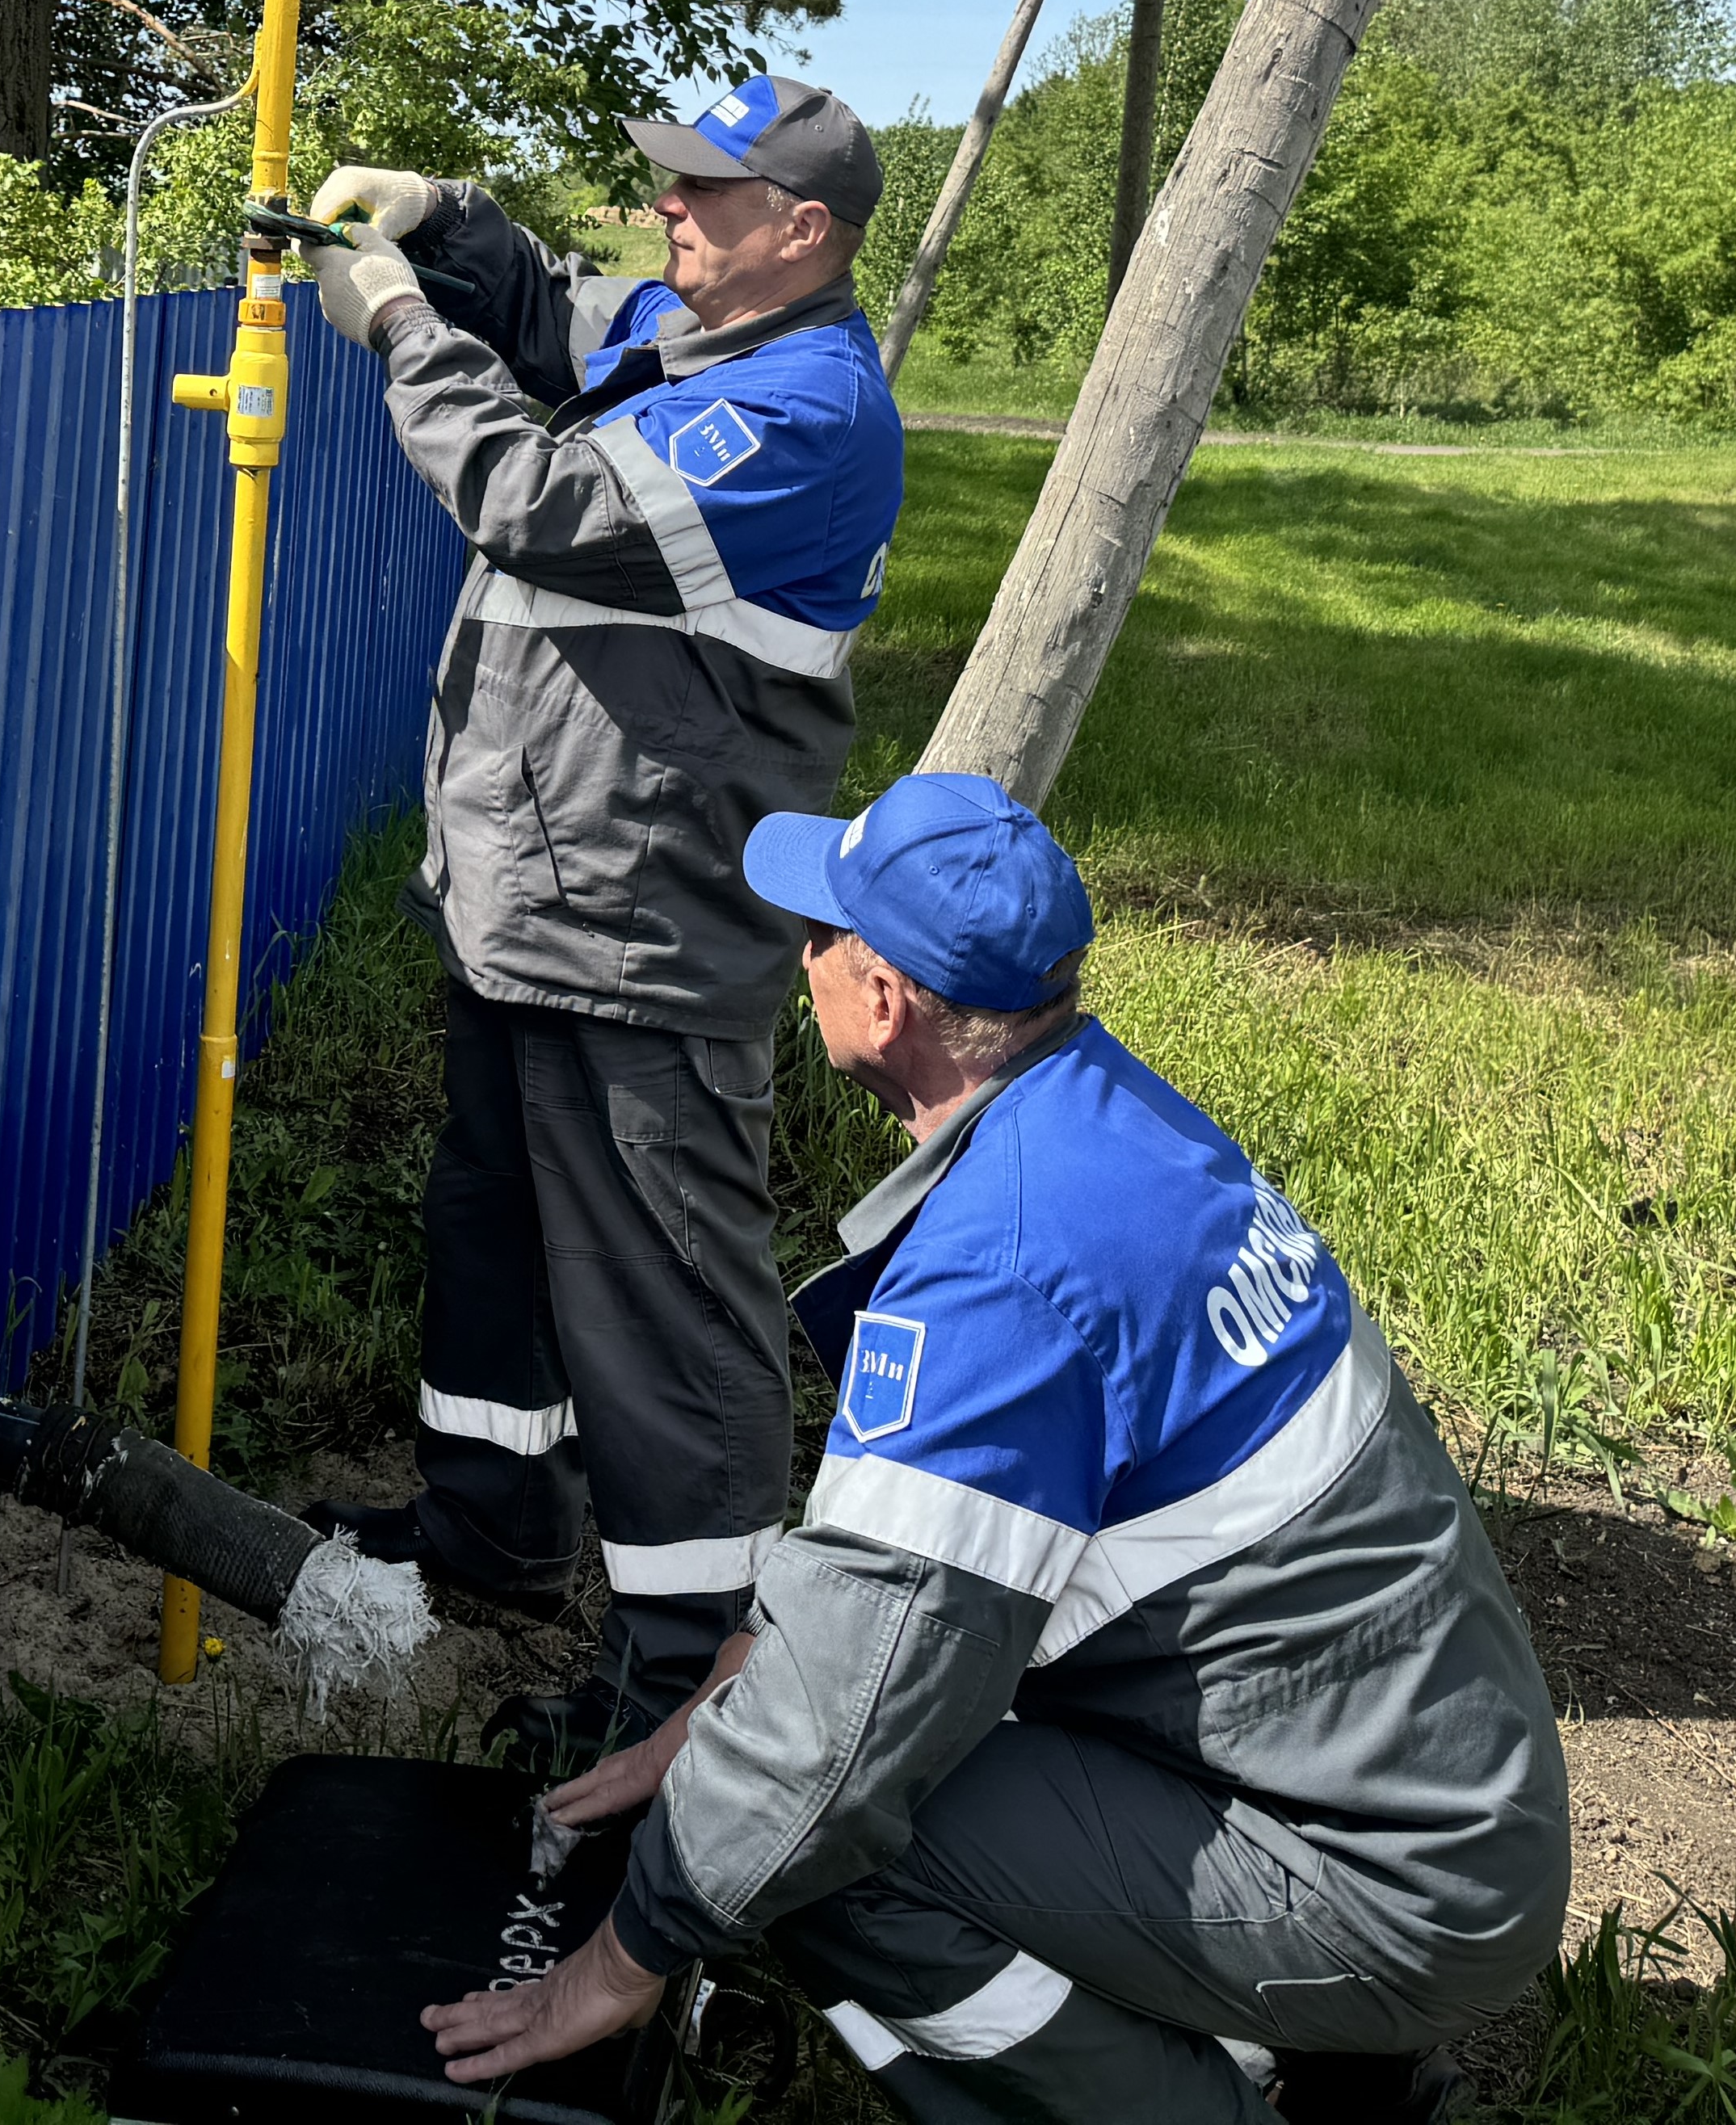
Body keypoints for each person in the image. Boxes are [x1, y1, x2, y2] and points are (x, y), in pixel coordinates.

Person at [417, 775, 1573, 2124]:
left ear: (885, 1000)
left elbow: (829, 1749)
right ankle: (1343, 2074)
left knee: (818, 1848)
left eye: (819, 935)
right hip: (1435, 1811)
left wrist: (617, 1960)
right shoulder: (1116, 1125)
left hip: (1385, 1880)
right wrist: (720, 1697)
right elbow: (923, 1580)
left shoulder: (1005, 1273)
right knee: (814, 1760)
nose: (801, 959)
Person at [288, 74, 907, 1766]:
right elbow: (568, 310)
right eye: (670, 187)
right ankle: (491, 1525)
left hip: (636, 922)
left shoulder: (803, 412)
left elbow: (536, 501)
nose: (670, 215)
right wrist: (445, 215)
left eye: (708, 199)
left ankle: (694, 1685)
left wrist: (400, 319)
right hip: (533, 894)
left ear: (808, 234)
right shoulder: (696, 340)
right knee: (489, 1227)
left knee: (660, 1297)